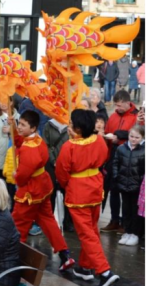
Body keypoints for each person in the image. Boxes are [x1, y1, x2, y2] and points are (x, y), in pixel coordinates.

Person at [56, 109, 119, 286]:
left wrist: (67, 184)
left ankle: (104, 271)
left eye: (71, 125)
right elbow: (104, 157)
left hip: (78, 192)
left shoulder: (69, 146)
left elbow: (62, 172)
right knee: (92, 230)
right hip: (95, 188)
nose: (68, 127)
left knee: (86, 234)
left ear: (78, 129)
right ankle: (85, 267)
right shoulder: (99, 140)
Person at [12, 111, 76, 270]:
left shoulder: (28, 149)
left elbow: (23, 175)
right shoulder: (37, 139)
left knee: (18, 224)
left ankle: (12, 257)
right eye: (19, 123)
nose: (20, 127)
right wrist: (13, 126)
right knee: (48, 221)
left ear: (33, 128)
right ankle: (64, 254)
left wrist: (16, 176)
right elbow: (20, 140)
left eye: (23, 125)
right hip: (43, 186)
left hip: (30, 191)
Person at [102, 89, 138, 231]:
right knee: (113, 189)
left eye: (119, 105)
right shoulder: (113, 116)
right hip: (113, 155)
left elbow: (138, 135)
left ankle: (126, 222)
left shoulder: (136, 117)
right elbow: (107, 131)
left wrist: (120, 136)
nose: (117, 108)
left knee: (127, 192)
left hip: (129, 158)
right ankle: (114, 219)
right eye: (116, 105)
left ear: (127, 102)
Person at [112, 124, 144, 246]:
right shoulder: (121, 148)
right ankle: (127, 231)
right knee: (125, 209)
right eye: (131, 136)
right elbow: (115, 163)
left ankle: (135, 234)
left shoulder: (144, 150)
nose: (134, 139)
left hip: (137, 186)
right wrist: (117, 176)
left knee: (135, 210)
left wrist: (140, 180)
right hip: (123, 184)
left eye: (137, 137)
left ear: (142, 138)